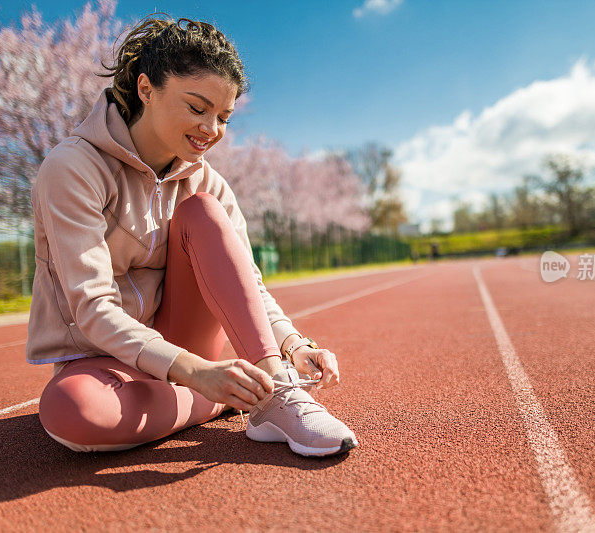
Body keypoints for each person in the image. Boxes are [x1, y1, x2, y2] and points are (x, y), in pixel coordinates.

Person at [26, 16, 357, 457]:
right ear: (146, 89)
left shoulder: (210, 183)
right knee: (72, 411)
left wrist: (294, 345)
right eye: (197, 108)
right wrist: (197, 373)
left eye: (223, 116)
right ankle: (227, 397)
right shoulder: (73, 169)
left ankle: (274, 388)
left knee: (201, 210)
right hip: (104, 355)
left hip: (188, 343)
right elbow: (93, 308)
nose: (211, 129)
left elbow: (249, 286)